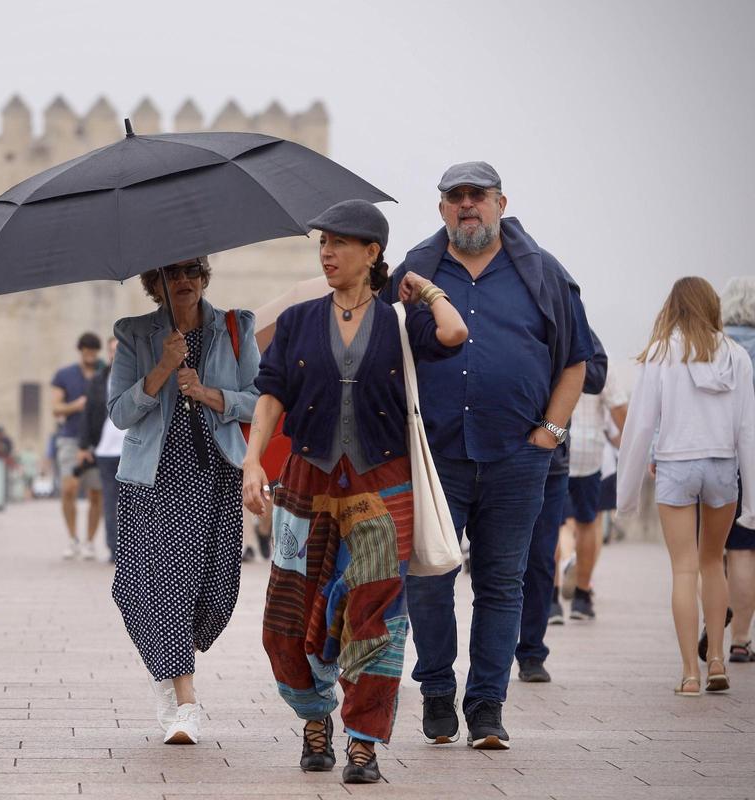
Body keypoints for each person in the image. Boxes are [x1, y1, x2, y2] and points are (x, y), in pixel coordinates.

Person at [245, 199, 466, 783]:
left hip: (382, 486)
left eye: (340, 243)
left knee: (377, 614)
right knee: (288, 619)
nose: (326, 253)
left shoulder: (401, 318)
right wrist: (251, 463)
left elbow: (455, 333)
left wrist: (426, 290)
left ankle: (363, 743)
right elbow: (270, 394)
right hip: (304, 486)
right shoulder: (297, 321)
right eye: (322, 243)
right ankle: (315, 720)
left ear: (371, 254)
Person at [386, 162, 592, 749]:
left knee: (502, 583)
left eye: (478, 195)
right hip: (434, 459)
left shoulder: (542, 274)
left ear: (502, 202)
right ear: (442, 208)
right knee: (428, 578)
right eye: (455, 197)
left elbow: (575, 360)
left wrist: (549, 432)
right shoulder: (415, 273)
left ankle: (486, 709)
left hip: (516, 457)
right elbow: (381, 347)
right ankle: (434, 692)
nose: (467, 205)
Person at [108, 256, 259, 746]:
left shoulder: (234, 327)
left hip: (214, 473)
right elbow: (120, 413)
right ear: (156, 281)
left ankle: (166, 663)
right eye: (172, 273)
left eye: (193, 270)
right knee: (165, 583)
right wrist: (162, 370)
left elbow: (260, 398)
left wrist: (211, 393)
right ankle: (185, 701)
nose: (185, 281)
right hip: (153, 478)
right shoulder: (135, 333)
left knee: (214, 593)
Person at [618, 277, 754, 696]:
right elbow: (747, 429)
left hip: (676, 465)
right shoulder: (735, 355)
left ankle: (688, 674)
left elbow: (641, 425)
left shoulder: (661, 352)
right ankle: (716, 657)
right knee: (714, 562)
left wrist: (625, 495)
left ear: (673, 308)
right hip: (722, 466)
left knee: (684, 567)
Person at [515, 330, 607, 684]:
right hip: (478, 453)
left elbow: (595, 374)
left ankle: (532, 652)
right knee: (486, 563)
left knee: (540, 556)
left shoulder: (559, 295)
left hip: (547, 458)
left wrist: (550, 430)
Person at [560, 361, 628, 621]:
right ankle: (582, 596)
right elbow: (618, 408)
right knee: (590, 522)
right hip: (591, 450)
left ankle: (553, 597)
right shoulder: (602, 357)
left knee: (557, 523)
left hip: (555, 442)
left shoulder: (551, 342)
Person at [722, 277, 755, 663]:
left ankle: (712, 625)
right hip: (751, 461)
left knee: (709, 555)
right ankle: (741, 640)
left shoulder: (712, 346)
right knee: (745, 552)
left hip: (713, 455)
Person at [52, 332, 104, 559]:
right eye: (86, 351)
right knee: (69, 489)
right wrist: (78, 405)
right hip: (71, 437)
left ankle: (90, 541)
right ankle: (72, 538)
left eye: (93, 351)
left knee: (96, 492)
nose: (90, 355)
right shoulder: (64, 375)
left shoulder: (105, 375)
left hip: (98, 440)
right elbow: (56, 408)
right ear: (80, 351)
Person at [80, 337, 123, 562]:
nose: (115, 354)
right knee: (109, 500)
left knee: (134, 502)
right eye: (112, 350)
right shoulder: (99, 380)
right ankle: (113, 547)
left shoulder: (138, 375)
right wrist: (84, 446)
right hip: (105, 450)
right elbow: (88, 414)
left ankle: (133, 549)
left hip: (131, 449)